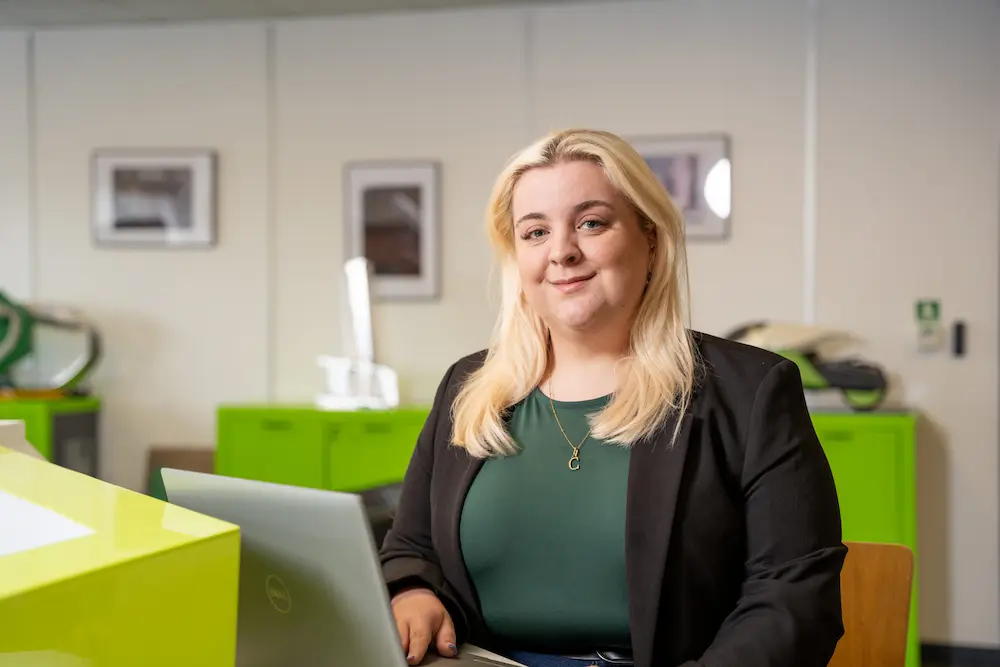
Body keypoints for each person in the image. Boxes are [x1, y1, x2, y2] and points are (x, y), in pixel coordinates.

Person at [379, 128, 846, 667]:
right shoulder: (469, 388)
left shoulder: (750, 392)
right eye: (534, 233)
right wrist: (412, 593)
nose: (562, 252)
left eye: (591, 223)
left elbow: (792, 597)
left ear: (650, 237)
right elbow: (411, 548)